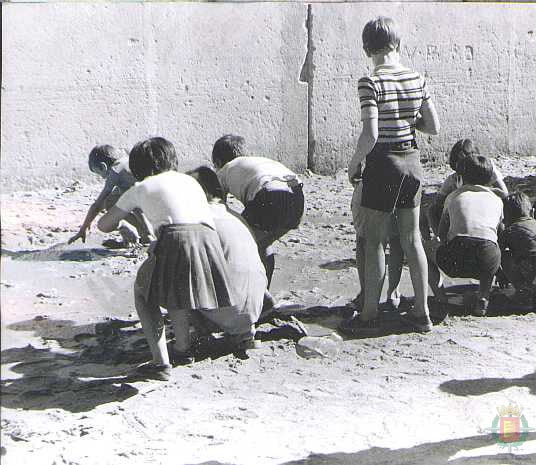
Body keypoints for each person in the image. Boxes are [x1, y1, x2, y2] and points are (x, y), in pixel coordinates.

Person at [98, 137, 249, 381]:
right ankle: (182, 348)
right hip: (208, 240)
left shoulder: (141, 187)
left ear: (137, 168)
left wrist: (124, 223)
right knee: (176, 291)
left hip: (176, 238)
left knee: (144, 293)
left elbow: (104, 225)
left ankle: (160, 363)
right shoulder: (190, 181)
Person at [345, 16, 440, 335]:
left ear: (366, 48)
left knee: (374, 242)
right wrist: (406, 121)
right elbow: (434, 127)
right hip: (412, 160)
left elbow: (370, 134)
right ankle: (422, 311)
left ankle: (370, 313)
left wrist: (354, 164)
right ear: (398, 43)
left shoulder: (369, 81)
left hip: (383, 162)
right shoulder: (417, 78)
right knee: (412, 239)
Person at [211, 134, 304, 289]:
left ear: (219, 162)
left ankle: (246, 295)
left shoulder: (224, 171)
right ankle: (264, 293)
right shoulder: (256, 162)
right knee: (262, 243)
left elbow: (217, 209)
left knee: (241, 245)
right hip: (297, 197)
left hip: (269, 195)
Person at [188, 166, 268, 344]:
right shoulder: (237, 217)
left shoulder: (197, 218)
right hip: (254, 310)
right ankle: (239, 327)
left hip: (227, 310)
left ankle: (190, 339)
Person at [426, 154, 503, 317]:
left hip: (457, 258)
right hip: (487, 260)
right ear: (490, 180)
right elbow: (499, 230)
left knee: (423, 252)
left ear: (460, 179)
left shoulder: (453, 197)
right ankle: (483, 297)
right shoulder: (497, 200)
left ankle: (442, 299)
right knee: (491, 247)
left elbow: (441, 235)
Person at [347, 161, 404, 314]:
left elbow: (366, 143)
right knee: (396, 239)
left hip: (373, 177)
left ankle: (366, 294)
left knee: (364, 240)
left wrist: (354, 170)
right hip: (402, 173)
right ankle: (393, 293)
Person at [69, 144, 153, 247]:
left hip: (145, 198)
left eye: (99, 173)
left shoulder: (116, 170)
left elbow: (97, 205)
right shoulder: (127, 160)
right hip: (155, 197)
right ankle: (143, 234)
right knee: (117, 196)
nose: (102, 178)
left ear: (103, 167)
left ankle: (145, 234)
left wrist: (83, 229)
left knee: (110, 201)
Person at [426, 139, 508, 237]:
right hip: (464, 208)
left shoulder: (487, 168)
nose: (461, 167)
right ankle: (441, 239)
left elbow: (505, 193)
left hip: (485, 205)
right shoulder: (455, 178)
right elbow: (438, 201)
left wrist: (480, 189)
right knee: (433, 210)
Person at [498, 191, 536, 307]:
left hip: (530, 270)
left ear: (506, 217)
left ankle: (524, 290)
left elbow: (496, 254)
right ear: (532, 212)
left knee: (505, 255)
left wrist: (500, 274)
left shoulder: (509, 231)